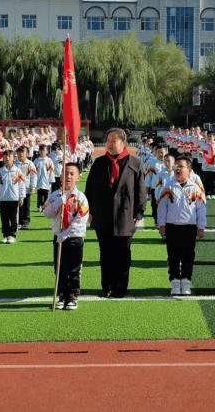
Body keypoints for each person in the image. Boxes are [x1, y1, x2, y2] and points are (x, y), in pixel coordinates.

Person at [86, 127, 147, 299]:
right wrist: (89, 211)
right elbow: (90, 189)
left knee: (123, 254)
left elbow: (141, 191)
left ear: (123, 142)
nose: (109, 144)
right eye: (108, 140)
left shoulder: (134, 163)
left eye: (113, 140)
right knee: (106, 254)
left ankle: (121, 287)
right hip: (103, 216)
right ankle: (107, 286)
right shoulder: (99, 163)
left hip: (125, 216)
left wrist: (139, 212)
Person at [157, 154, 207, 295]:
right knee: (173, 256)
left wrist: (201, 227)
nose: (177, 169)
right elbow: (162, 207)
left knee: (188, 256)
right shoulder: (169, 186)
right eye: (176, 166)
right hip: (172, 227)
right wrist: (161, 224)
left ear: (189, 169)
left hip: (189, 227)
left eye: (181, 166)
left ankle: (186, 282)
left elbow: (201, 209)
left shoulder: (195, 188)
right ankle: (174, 281)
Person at [44, 162, 89, 310]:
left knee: (74, 268)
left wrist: (66, 233)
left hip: (74, 237)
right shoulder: (55, 195)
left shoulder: (81, 198)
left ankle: (72, 295)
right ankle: (61, 294)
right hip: (58, 237)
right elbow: (47, 213)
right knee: (60, 267)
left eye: (71, 173)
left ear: (78, 177)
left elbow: (80, 220)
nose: (68, 176)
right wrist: (58, 202)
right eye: (65, 173)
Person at [0, 150, 26, 243]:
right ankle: (5, 234)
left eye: (9, 156)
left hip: (14, 198)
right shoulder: (0, 172)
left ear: (13, 158)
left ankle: (12, 234)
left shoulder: (17, 171)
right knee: (4, 218)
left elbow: (22, 185)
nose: (7, 158)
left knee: (13, 217)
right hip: (3, 198)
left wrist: (21, 196)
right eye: (5, 157)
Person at [16, 146, 37, 230]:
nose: (21, 154)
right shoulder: (15, 163)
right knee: (18, 205)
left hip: (26, 187)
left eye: (23, 152)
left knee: (26, 205)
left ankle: (25, 221)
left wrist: (33, 187)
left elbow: (33, 176)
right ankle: (18, 221)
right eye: (19, 152)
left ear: (27, 154)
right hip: (16, 188)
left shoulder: (30, 164)